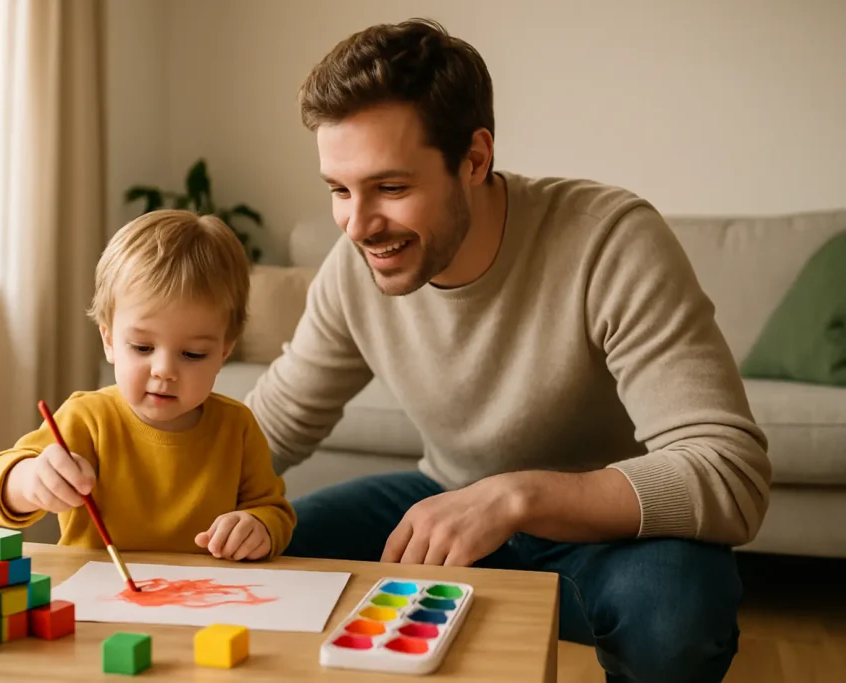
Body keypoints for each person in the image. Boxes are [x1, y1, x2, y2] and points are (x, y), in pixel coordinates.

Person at [244, 18, 770, 682]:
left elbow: (732, 472)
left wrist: (513, 496)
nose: (357, 224)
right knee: (272, 544)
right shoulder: (356, 268)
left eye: (391, 188)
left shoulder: (608, 241)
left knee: (677, 619)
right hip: (447, 497)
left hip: (608, 530)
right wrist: (124, 454)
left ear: (475, 158)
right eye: (339, 190)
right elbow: (266, 427)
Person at [0, 210, 295, 561]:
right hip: (95, 596)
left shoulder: (238, 427)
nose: (164, 370)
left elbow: (274, 510)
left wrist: (257, 526)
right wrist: (29, 479)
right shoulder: (87, 418)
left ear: (224, 351)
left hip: (205, 601)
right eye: (142, 348)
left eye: (192, 354)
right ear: (109, 341)